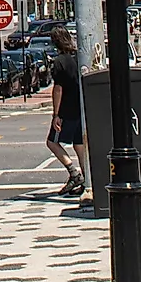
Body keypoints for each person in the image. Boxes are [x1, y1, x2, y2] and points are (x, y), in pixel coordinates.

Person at [44, 25, 89, 201]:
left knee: (52, 142)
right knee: (79, 143)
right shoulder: (80, 57)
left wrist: (56, 114)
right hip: (82, 107)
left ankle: (74, 172)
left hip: (66, 110)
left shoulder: (59, 62)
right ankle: (87, 181)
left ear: (54, 42)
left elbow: (58, 89)